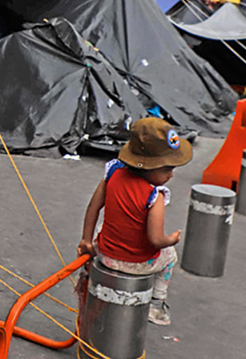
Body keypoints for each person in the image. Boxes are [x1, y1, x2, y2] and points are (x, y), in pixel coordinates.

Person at [78, 118, 192, 326]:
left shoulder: (112, 174)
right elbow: (155, 239)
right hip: (135, 264)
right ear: (150, 166)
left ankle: (87, 275)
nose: (171, 175)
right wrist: (171, 240)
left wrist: (86, 241)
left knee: (106, 226)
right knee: (169, 258)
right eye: (166, 169)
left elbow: (93, 208)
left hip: (104, 253)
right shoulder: (154, 196)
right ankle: (156, 305)